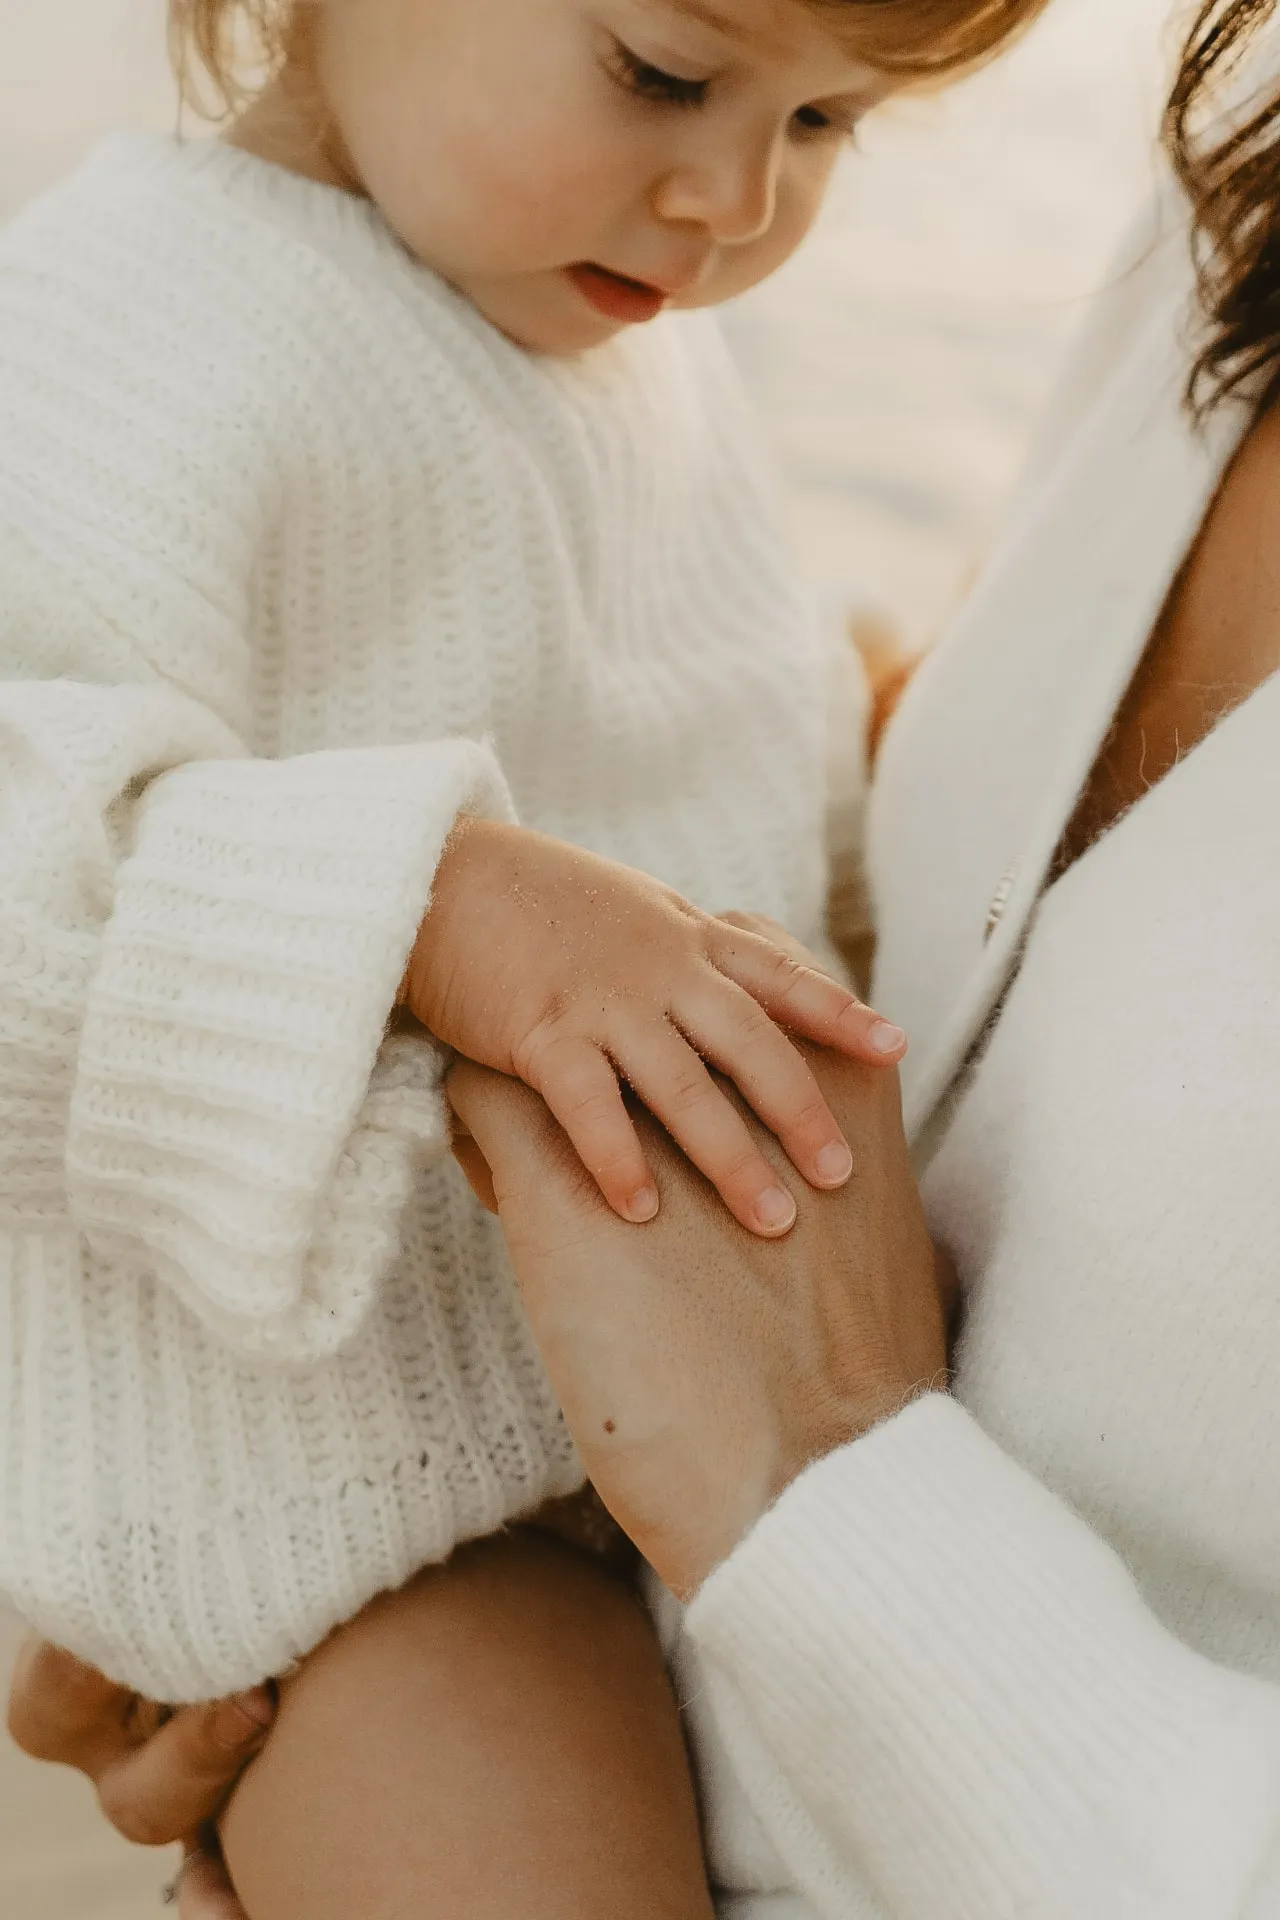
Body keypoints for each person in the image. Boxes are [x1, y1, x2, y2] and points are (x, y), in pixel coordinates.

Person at [16, 0, 1280, 1912]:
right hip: (416, 1562)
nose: (735, 204)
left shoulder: (604, 356)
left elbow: (720, 770)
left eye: (832, 127)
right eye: (666, 76)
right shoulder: (118, 327)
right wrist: (438, 910)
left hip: (643, 1527)